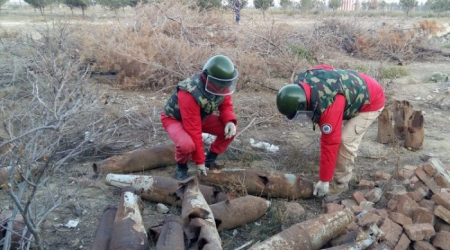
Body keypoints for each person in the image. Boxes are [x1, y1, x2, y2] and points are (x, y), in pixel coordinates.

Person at [276, 64, 385, 197]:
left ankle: (341, 183)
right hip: (357, 86)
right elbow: (325, 67)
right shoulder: (303, 79)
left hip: (372, 100)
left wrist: (324, 180)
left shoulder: (328, 105)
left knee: (346, 140)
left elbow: (331, 142)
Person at [161, 55, 239, 180]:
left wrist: (230, 121)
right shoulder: (190, 92)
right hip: (174, 119)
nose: (223, 88)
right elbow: (193, 129)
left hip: (201, 116)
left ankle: (211, 158)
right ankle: (181, 166)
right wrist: (199, 161)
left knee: (231, 130)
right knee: (186, 145)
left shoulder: (221, 85)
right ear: (210, 79)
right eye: (221, 85)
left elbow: (225, 105)